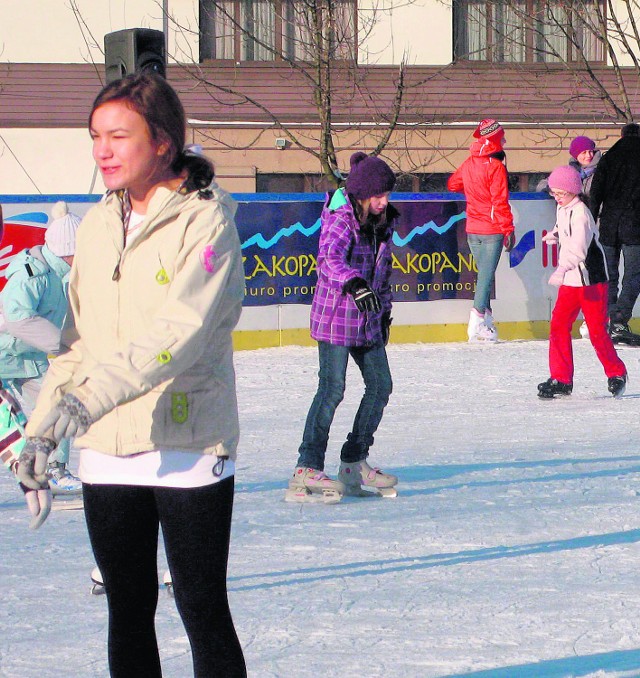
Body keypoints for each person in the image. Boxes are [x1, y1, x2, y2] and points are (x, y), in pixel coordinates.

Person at [16, 72, 247, 677]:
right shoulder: (95, 226)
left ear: (164, 141)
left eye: (119, 135)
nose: (102, 151)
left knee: (200, 605)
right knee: (127, 606)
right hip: (106, 446)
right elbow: (80, 344)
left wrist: (85, 402)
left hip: (187, 439)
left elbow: (177, 335)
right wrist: (40, 432)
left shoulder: (207, 222)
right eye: (95, 136)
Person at [286, 151, 399, 504]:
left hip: (367, 319)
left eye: (387, 195)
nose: (384, 202)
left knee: (381, 386)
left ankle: (353, 461)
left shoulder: (383, 223)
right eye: (378, 196)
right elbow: (329, 259)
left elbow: (382, 274)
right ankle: (307, 466)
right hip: (336, 317)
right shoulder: (341, 219)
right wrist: (354, 283)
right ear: (362, 194)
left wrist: (384, 314)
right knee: (332, 390)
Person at [0, 201, 82, 493]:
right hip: (2, 353)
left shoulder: (66, 275)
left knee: (61, 400)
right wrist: (60, 345)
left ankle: (55, 469)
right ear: (69, 249)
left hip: (30, 358)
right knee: (5, 424)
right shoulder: (30, 273)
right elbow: (18, 316)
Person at [537, 166, 627, 399]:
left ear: (573, 192)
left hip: (591, 281)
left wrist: (561, 269)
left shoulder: (581, 214)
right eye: (553, 193)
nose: (556, 197)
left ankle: (616, 373)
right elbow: (561, 226)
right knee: (558, 327)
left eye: (561, 193)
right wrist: (554, 234)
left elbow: (578, 249)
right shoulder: (563, 208)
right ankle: (561, 379)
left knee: (597, 331)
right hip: (571, 281)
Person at [447, 118, 515, 342]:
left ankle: (485, 323)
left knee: (484, 277)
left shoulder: (469, 163)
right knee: (486, 278)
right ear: (495, 140)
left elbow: (453, 184)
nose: (504, 141)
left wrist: (473, 190)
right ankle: (476, 321)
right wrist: (508, 229)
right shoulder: (495, 167)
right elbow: (500, 200)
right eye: (502, 137)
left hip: (472, 228)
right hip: (491, 228)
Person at [590, 122, 640, 346]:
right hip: (635, 225)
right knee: (634, 275)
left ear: (621, 135)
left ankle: (609, 319)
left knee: (609, 275)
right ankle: (620, 319)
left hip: (609, 224)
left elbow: (596, 191)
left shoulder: (608, 158)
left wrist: (591, 218)